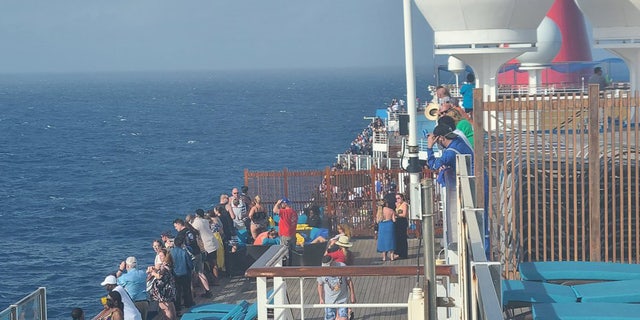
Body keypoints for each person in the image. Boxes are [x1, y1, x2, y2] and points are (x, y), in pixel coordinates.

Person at [426, 123, 474, 246]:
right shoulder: (458, 141)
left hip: (466, 188)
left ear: (441, 138)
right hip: (471, 182)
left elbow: (434, 165)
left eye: (437, 139)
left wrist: (430, 148)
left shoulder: (450, 153)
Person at [317, 255, 356, 320]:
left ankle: (349, 314)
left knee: (343, 318)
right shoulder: (321, 270)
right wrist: (321, 298)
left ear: (333, 262)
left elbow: (349, 281)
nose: (327, 269)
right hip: (329, 301)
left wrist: (352, 295)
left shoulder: (342, 266)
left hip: (342, 300)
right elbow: (320, 284)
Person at [192, 208, 220, 295]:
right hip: (213, 242)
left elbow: (193, 230)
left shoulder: (196, 222)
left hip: (206, 245)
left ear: (196, 215)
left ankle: (204, 286)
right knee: (214, 263)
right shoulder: (205, 221)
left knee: (203, 266)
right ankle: (216, 280)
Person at [146, 248, 177, 320]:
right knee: (170, 305)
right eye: (159, 256)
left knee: (165, 308)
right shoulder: (169, 264)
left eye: (162, 256)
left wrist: (153, 273)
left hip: (163, 290)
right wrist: (155, 269)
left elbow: (160, 276)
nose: (160, 258)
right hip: (169, 288)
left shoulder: (165, 266)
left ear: (166, 256)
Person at [170, 236, 194, 313]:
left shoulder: (171, 252)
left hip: (175, 274)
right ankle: (188, 303)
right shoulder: (184, 252)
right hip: (185, 273)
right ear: (182, 244)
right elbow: (189, 264)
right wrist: (191, 269)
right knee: (186, 289)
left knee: (177, 291)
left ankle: (178, 306)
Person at [273, 197, 298, 264]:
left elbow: (275, 210)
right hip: (292, 234)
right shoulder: (294, 212)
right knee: (292, 251)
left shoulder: (285, 212)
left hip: (285, 234)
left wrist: (277, 203)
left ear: (284, 204)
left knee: (284, 252)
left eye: (282, 204)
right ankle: (293, 265)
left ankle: (285, 266)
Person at [393, 193, 409, 260]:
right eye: (396, 198)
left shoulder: (404, 204)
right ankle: (398, 252)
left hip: (402, 221)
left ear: (402, 198)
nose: (397, 200)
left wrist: (396, 214)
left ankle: (403, 253)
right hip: (397, 221)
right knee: (398, 238)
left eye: (398, 198)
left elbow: (404, 214)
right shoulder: (397, 205)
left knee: (402, 237)